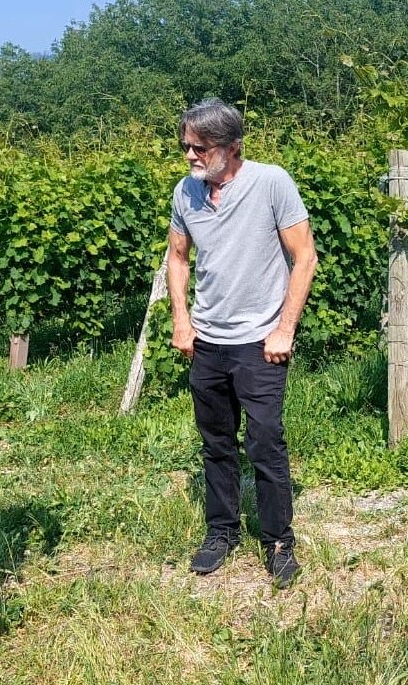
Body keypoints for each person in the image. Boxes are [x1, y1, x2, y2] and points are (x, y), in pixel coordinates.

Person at [166, 98, 318, 589]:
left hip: (260, 342)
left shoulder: (271, 183)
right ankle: (221, 532)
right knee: (215, 443)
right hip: (207, 340)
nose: (189, 155)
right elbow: (178, 258)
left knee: (265, 442)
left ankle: (278, 541)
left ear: (231, 148)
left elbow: (305, 257)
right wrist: (182, 321)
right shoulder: (186, 193)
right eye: (185, 145)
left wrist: (284, 329)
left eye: (198, 147)